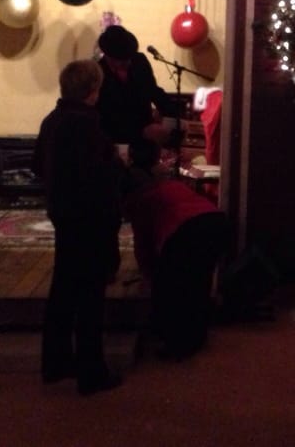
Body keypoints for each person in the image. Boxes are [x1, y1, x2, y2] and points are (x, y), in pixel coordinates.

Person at [33, 59, 126, 396]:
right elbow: (101, 175)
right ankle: (91, 372)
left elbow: (37, 165)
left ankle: (55, 362)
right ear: (93, 90)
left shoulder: (52, 120)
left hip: (63, 214)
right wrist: (118, 164)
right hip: (91, 219)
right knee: (90, 296)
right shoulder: (88, 125)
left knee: (63, 289)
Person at [123, 138, 229, 361]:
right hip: (217, 223)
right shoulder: (170, 186)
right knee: (198, 282)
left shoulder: (141, 201)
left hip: (187, 230)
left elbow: (144, 243)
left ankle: (177, 343)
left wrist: (148, 273)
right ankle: (196, 336)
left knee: (173, 286)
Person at [95, 24, 178, 148]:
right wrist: (142, 131)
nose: (129, 62)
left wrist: (174, 117)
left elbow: (153, 90)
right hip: (117, 142)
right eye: (123, 59)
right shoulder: (98, 73)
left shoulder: (139, 61)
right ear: (109, 57)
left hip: (147, 137)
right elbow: (106, 117)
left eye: (130, 56)